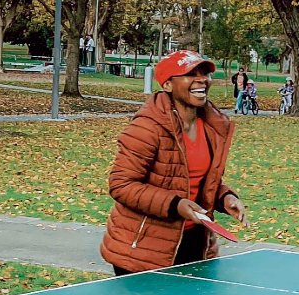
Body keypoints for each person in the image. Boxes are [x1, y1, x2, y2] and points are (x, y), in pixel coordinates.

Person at [100, 50, 247, 275]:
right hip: (144, 251)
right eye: (190, 74)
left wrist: (224, 197)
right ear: (168, 85)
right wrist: (175, 204)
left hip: (194, 244)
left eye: (204, 73)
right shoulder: (147, 128)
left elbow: (194, 179)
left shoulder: (212, 126)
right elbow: (121, 185)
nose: (201, 79)